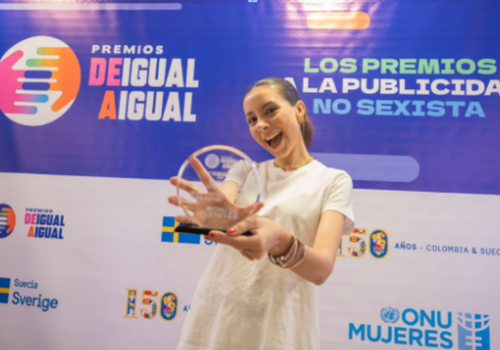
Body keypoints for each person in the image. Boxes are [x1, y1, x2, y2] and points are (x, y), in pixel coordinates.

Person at [169, 77, 355, 350]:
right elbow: (225, 207)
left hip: (279, 327)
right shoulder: (244, 171)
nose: (261, 125)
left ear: (299, 110)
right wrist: (219, 216)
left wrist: (281, 240)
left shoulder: (333, 181)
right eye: (251, 119)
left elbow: (321, 270)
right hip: (217, 315)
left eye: (270, 111)